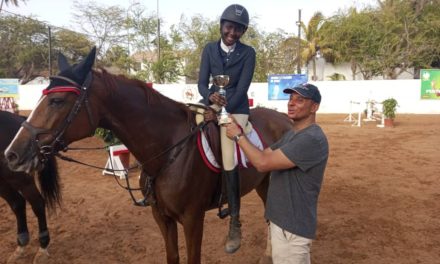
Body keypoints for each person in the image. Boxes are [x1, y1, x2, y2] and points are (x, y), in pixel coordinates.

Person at [225, 83, 329, 264]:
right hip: (281, 223)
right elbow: (264, 153)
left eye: (300, 100)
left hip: (292, 230)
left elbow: (262, 163)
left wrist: (238, 136)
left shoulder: (310, 139)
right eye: (290, 99)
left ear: (314, 107)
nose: (291, 103)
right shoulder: (292, 135)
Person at [197, 4, 256, 254]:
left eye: (238, 29)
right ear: (222, 25)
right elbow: (201, 83)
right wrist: (210, 96)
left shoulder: (248, 53)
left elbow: (242, 88)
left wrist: (222, 108)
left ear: (243, 31)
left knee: (229, 155)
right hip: (211, 101)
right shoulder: (209, 49)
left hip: (236, 108)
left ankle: (234, 221)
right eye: (229, 27)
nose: (233, 32)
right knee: (181, 126)